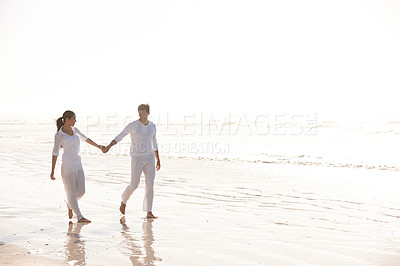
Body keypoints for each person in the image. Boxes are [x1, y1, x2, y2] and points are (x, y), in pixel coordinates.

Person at [103, 104, 160, 219]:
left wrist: (158, 159)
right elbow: (121, 135)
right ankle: (124, 201)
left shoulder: (152, 126)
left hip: (150, 158)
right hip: (137, 158)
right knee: (134, 185)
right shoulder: (133, 125)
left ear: (148, 113)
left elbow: (155, 143)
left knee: (150, 185)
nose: (141, 116)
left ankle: (149, 211)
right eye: (139, 114)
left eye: (143, 114)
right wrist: (109, 145)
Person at [50, 110, 104, 223]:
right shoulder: (59, 135)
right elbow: (55, 153)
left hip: (78, 163)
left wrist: (98, 146)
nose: (75, 120)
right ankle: (79, 216)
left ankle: (70, 205)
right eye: (74, 118)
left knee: (82, 191)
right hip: (67, 165)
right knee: (72, 192)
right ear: (68, 119)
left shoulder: (75, 130)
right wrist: (52, 171)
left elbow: (86, 138)